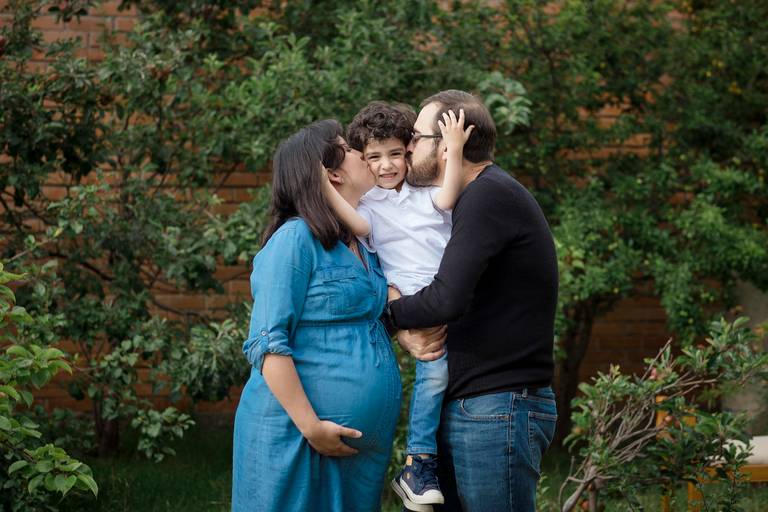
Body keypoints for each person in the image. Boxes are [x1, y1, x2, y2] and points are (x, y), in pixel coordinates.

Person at [231, 119, 445, 512]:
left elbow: (371, 311)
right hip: (296, 436)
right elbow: (267, 343)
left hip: (358, 451)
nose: (362, 154)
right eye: (349, 148)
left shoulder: (363, 243)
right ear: (331, 174)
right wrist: (312, 427)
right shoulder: (294, 240)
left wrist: (402, 333)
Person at [383, 90, 559, 512]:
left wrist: (384, 315)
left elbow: (446, 299)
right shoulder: (471, 200)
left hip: (497, 406)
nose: (408, 147)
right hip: (481, 405)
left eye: (415, 137)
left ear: (446, 145)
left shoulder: (487, 196)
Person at [324, 101, 473, 512]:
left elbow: (447, 198)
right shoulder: (368, 204)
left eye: (394, 154)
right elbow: (355, 226)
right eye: (374, 157)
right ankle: (417, 462)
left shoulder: (424, 193)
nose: (386, 165)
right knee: (435, 374)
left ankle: (433, 460)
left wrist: (454, 149)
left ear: (409, 151)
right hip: (411, 304)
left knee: (449, 379)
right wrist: (321, 185)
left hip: (449, 296)